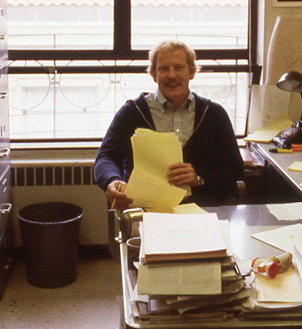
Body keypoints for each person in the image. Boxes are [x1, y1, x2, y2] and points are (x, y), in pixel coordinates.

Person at [94, 40, 245, 210]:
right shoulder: (132, 112)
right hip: (146, 210)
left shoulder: (214, 114)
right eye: (163, 69)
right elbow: (106, 157)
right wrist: (112, 181)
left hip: (204, 210)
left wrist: (200, 178)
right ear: (153, 74)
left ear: (192, 72)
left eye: (179, 68)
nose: (171, 75)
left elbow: (235, 169)